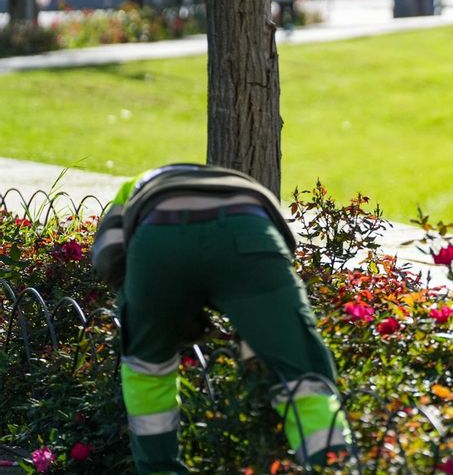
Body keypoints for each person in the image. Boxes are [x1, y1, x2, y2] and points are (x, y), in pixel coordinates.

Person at [92, 164, 351, 473]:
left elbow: (107, 256)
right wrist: (257, 337)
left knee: (148, 369)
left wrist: (146, 312)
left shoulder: (132, 186)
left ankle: (159, 468)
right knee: (301, 370)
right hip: (250, 232)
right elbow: (282, 254)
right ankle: (332, 465)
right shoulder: (242, 183)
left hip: (160, 240)